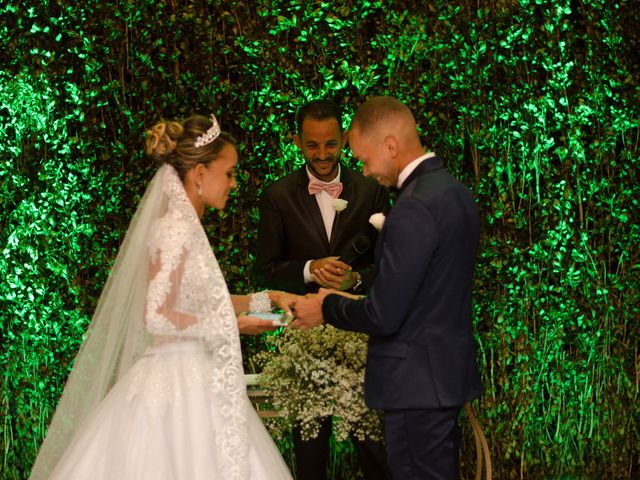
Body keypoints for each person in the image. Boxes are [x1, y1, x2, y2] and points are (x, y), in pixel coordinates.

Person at [29, 114, 295, 480]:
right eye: (229, 172)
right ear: (200, 174)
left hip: (194, 371)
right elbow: (156, 315)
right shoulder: (173, 230)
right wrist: (230, 324)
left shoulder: (186, 229)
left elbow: (202, 301)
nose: (234, 183)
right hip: (178, 385)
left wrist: (267, 300)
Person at [291, 96, 483, 480]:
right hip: (442, 377)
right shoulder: (455, 192)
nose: (366, 171)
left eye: (364, 159)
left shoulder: (413, 206)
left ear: (390, 146)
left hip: (414, 385)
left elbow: (384, 313)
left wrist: (327, 307)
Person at [256, 99, 391, 480]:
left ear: (344, 139)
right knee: (310, 453)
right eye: (312, 145)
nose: (322, 155)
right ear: (298, 142)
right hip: (305, 340)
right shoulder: (277, 196)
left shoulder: (371, 190)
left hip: (359, 337)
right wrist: (309, 270)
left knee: (374, 448)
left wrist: (356, 281)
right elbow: (265, 270)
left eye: (330, 144)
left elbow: (390, 266)